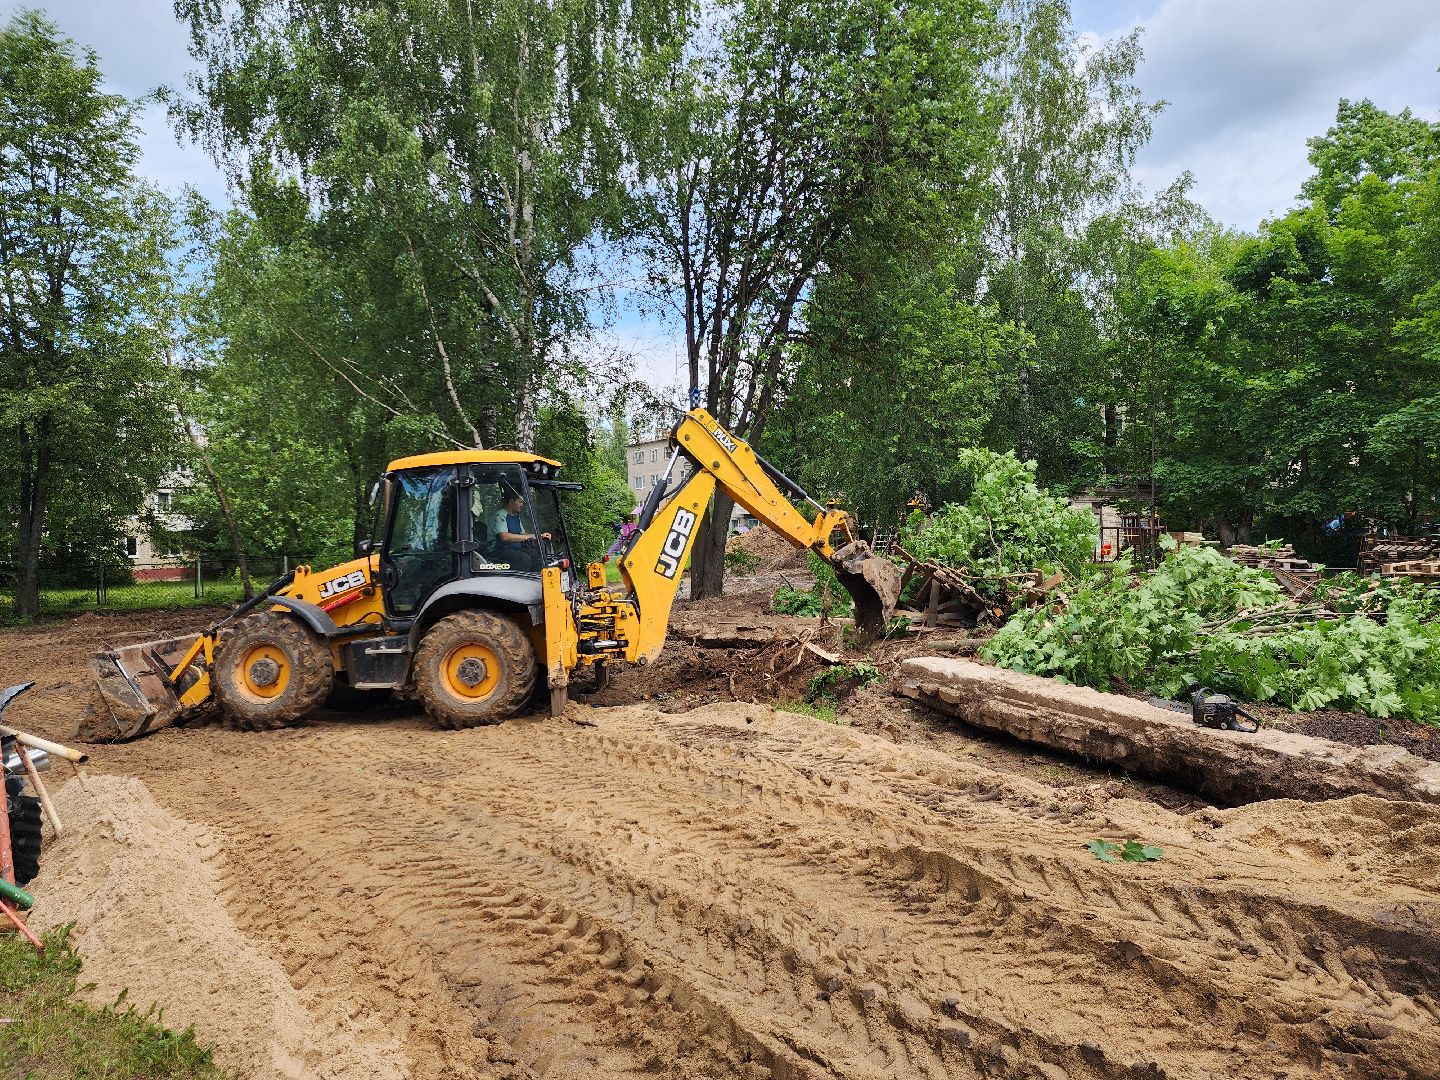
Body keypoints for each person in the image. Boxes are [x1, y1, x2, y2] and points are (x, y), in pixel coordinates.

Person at [490, 488, 549, 572]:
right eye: (520, 502)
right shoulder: (500, 515)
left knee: (536, 555)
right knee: (524, 559)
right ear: (511, 502)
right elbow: (504, 536)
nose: (522, 505)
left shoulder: (515, 516)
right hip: (497, 550)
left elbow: (522, 534)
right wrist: (530, 536)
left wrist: (539, 536)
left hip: (513, 548)